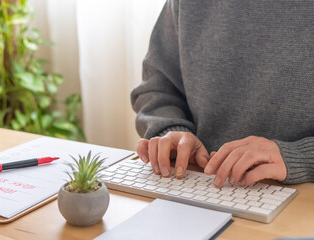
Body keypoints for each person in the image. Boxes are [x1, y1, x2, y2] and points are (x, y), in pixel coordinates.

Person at [131, 0, 314, 188]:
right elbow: (157, 87)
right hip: (193, 181)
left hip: (298, 191)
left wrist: (298, 156)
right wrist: (172, 130)